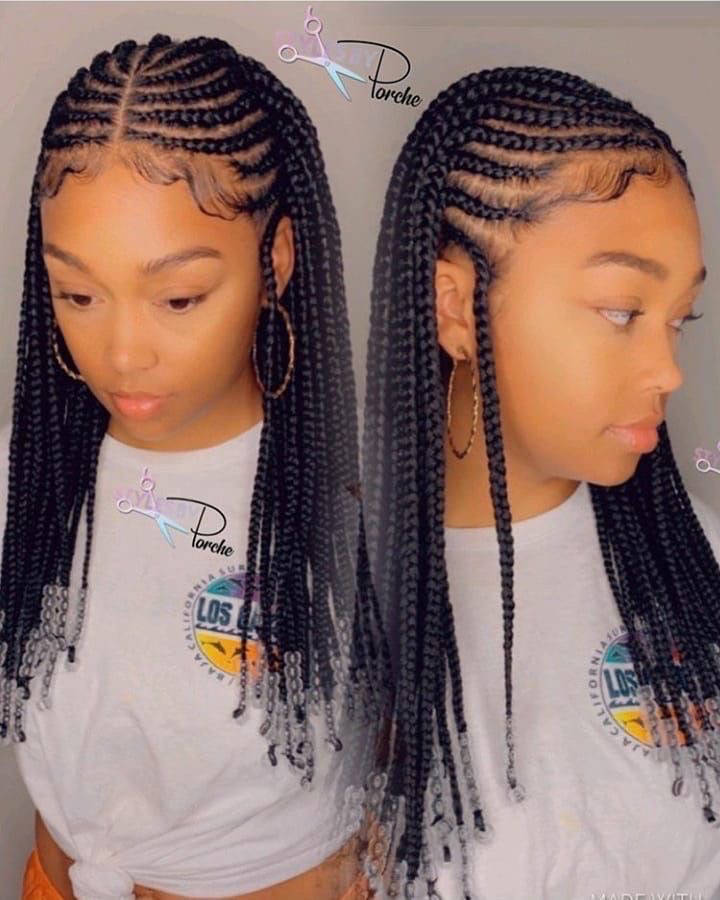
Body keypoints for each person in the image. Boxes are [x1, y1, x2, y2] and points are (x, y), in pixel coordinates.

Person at [0, 33, 387, 900]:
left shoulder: (364, 495)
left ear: (274, 260)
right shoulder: (27, 478)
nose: (121, 353)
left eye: (178, 298)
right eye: (77, 294)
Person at [361, 64, 720, 899]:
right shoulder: (334, 599)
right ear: (455, 307)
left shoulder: (696, 560)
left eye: (679, 319)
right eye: (622, 311)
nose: (669, 370)